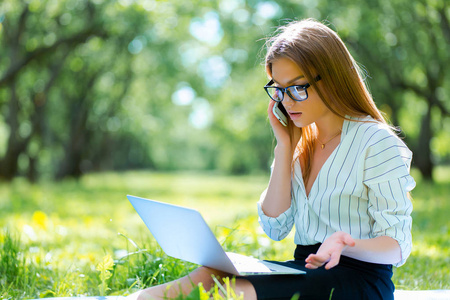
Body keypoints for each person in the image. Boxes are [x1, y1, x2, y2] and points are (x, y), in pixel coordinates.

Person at [127, 18, 415, 300]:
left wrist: (344, 243)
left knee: (233, 292)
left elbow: (396, 246)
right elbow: (275, 227)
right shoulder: (301, 143)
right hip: (305, 269)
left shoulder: (377, 142)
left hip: (359, 279)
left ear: (331, 77)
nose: (287, 101)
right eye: (279, 89)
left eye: (297, 87)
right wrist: (284, 147)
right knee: (209, 273)